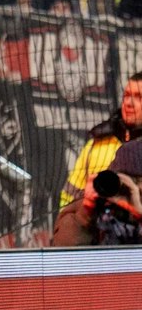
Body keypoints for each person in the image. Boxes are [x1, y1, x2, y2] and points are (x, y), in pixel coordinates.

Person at [59, 71, 142, 210]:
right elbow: (69, 196)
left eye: (139, 97)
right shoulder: (97, 144)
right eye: (126, 95)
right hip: (94, 228)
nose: (128, 103)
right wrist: (67, 226)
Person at [54, 138, 142, 247]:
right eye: (126, 183)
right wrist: (85, 214)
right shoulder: (96, 206)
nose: (131, 190)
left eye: (138, 182)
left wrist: (139, 213)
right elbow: (63, 253)